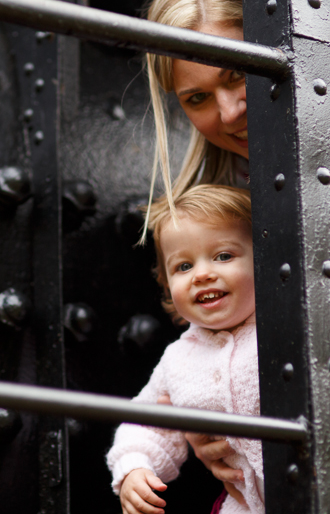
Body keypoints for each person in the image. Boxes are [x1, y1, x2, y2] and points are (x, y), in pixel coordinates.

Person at [139, 0, 252, 503]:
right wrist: (198, 417)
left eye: (239, 73)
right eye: (198, 98)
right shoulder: (203, 209)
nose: (229, 113)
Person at [107, 185, 261, 514]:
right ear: (166, 284)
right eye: (183, 267)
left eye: (223, 256)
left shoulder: (286, 327)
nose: (203, 274)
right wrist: (135, 467)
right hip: (244, 506)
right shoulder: (178, 360)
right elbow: (146, 423)